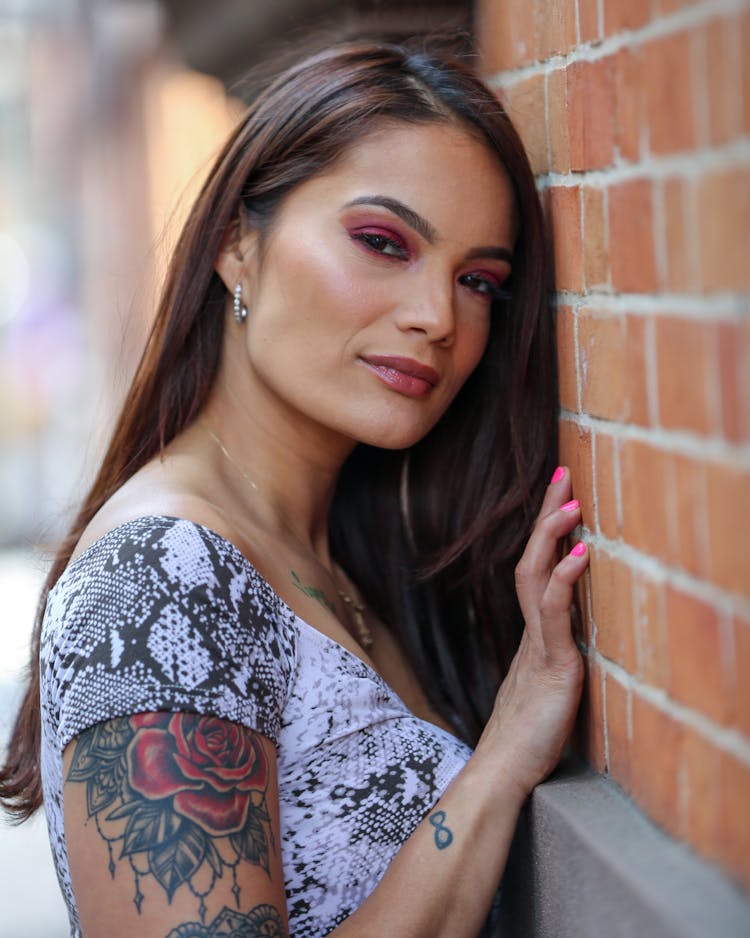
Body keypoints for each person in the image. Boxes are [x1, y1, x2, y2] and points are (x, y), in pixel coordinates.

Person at [0, 38, 588, 938]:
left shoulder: (354, 556)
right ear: (239, 245)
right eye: (382, 242)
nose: (437, 316)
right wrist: (503, 754)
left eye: (478, 281)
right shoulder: (159, 578)